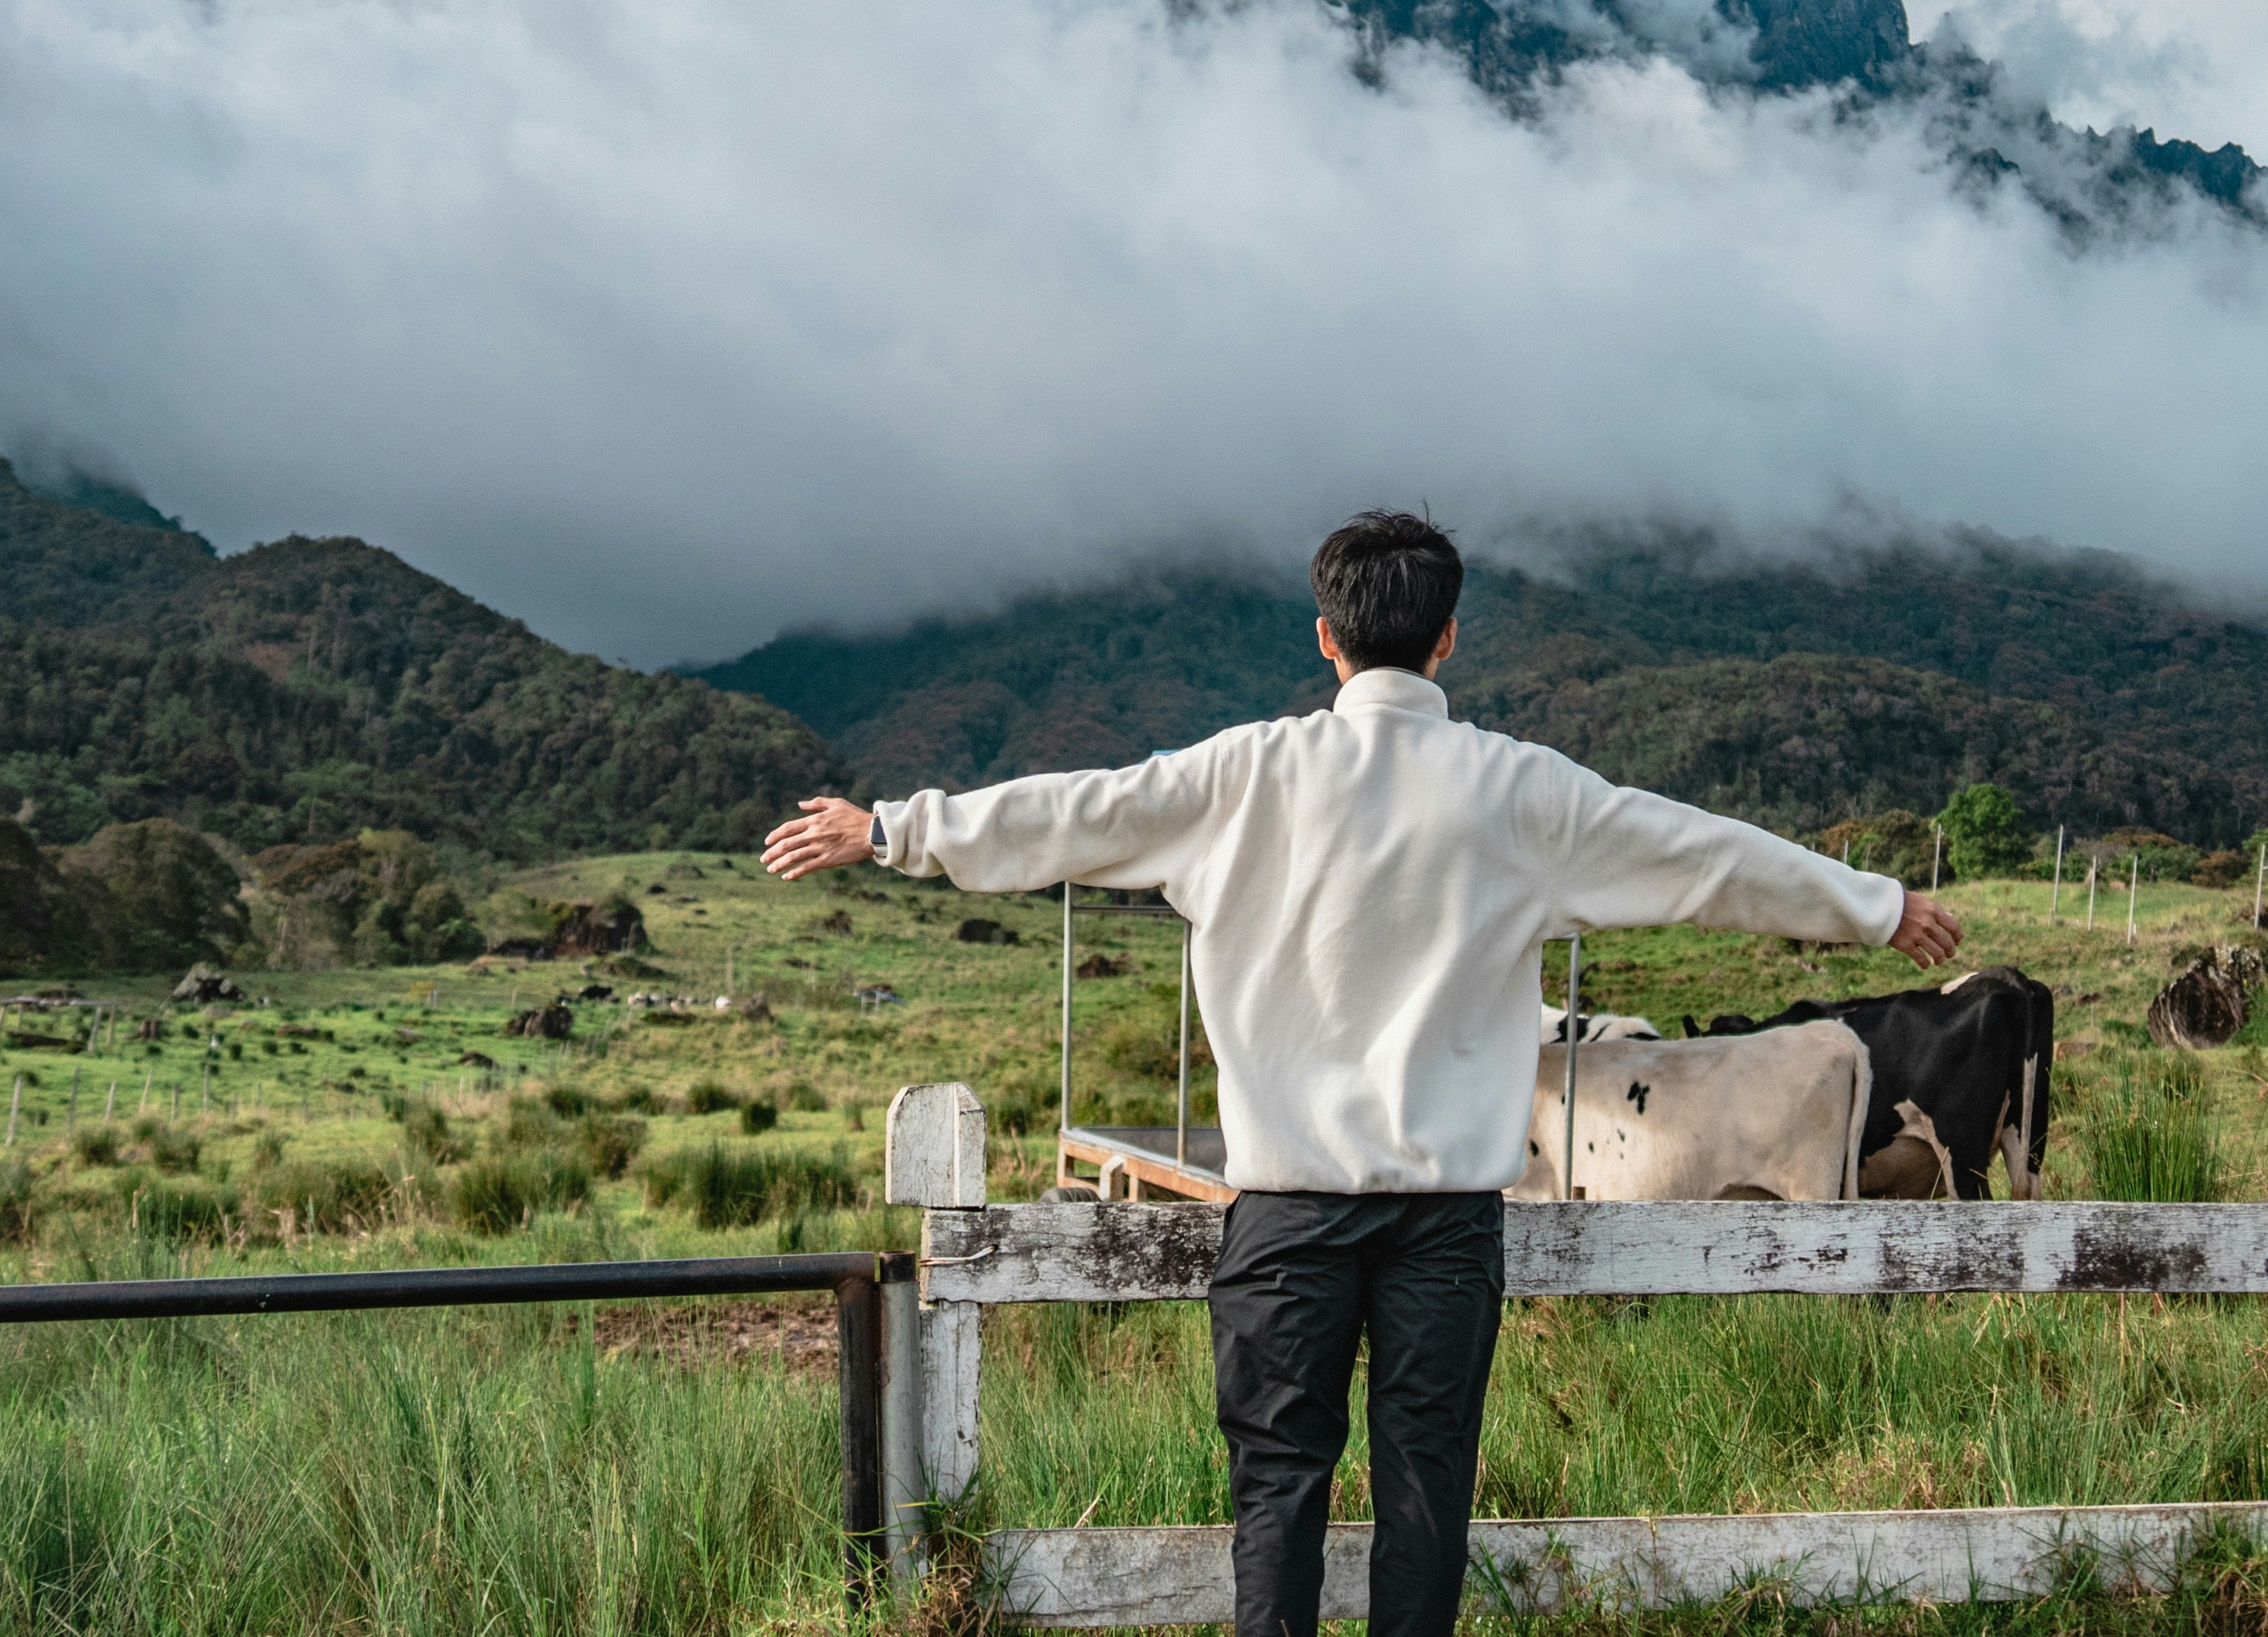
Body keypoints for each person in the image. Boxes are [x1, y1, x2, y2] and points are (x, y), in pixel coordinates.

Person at [761, 509, 1962, 1637]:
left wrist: (890, 829)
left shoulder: (1241, 777)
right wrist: (1876, 904)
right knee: (1427, 1480)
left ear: (1326, 637)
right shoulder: (1520, 790)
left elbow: (1069, 814)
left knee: (1276, 1482)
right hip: (1446, 1223)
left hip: (1284, 1211)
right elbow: (1704, 855)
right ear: (1445, 638)